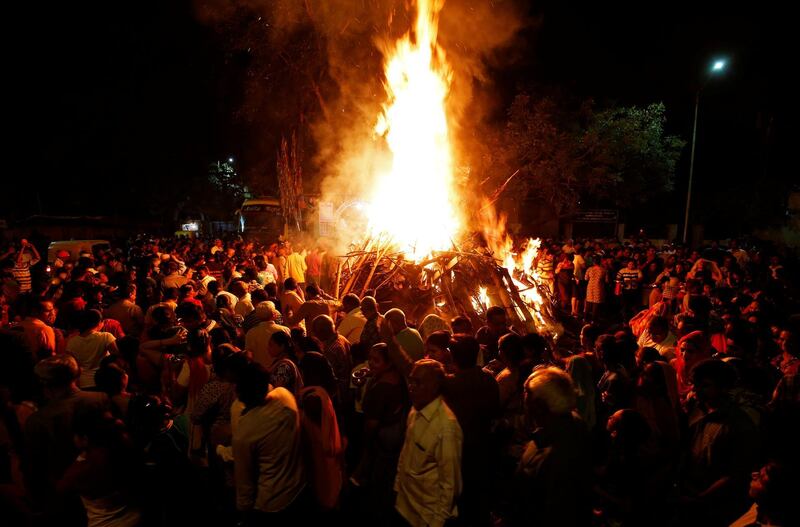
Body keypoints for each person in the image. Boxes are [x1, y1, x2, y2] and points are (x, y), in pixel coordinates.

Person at [23, 355, 110, 513]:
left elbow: (34, 469)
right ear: (77, 374)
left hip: (65, 497)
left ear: (45, 384)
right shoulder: (101, 399)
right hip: (105, 485)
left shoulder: (38, 420)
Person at [678, 359, 759, 526]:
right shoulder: (696, 409)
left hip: (716, 506)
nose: (696, 390)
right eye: (695, 384)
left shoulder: (738, 424)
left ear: (724, 387)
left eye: (705, 385)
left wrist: (699, 499)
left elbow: (734, 474)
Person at [509, 367, 592, 527]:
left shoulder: (556, 457)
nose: (523, 397)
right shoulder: (571, 421)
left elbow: (555, 512)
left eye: (527, 392)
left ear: (539, 405)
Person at [232, 363, 306, 523]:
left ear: (240, 393)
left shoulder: (245, 430)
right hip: (300, 488)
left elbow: (244, 484)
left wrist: (243, 514)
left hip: (271, 502)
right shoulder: (284, 396)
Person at [395, 359, 462, 527]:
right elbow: (406, 451)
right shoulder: (415, 410)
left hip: (424, 517)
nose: (411, 387)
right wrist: (397, 487)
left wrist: (437, 522)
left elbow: (450, 485)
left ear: (433, 387)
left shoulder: (446, 427)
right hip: (404, 506)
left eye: (417, 382)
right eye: (410, 381)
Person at [443, 334, 499, 526]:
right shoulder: (489, 380)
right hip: (484, 448)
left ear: (451, 355)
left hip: (459, 451)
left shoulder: (450, 384)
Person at [352, 343, 408, 522]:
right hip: (396, 435)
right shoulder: (397, 377)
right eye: (370, 359)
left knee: (380, 482)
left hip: (382, 440)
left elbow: (371, 424)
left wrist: (366, 446)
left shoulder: (382, 389)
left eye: (376, 361)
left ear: (389, 363)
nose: (370, 363)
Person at [67, 309, 119, 389]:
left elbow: (71, 365)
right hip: (102, 380)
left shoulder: (72, 342)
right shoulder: (105, 336)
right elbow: (117, 356)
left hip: (81, 383)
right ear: (99, 323)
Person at [244, 301, 290, 370]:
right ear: (274, 314)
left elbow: (248, 355)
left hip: (258, 372)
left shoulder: (250, 333)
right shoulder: (284, 330)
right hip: (279, 370)